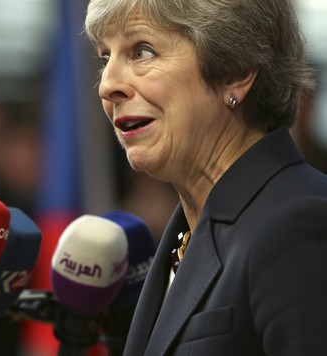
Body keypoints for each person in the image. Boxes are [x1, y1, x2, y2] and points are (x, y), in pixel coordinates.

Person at [84, 0, 327, 355]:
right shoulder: (187, 231)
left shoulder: (299, 226)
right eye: (106, 58)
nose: (108, 86)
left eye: (142, 51)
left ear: (236, 70)